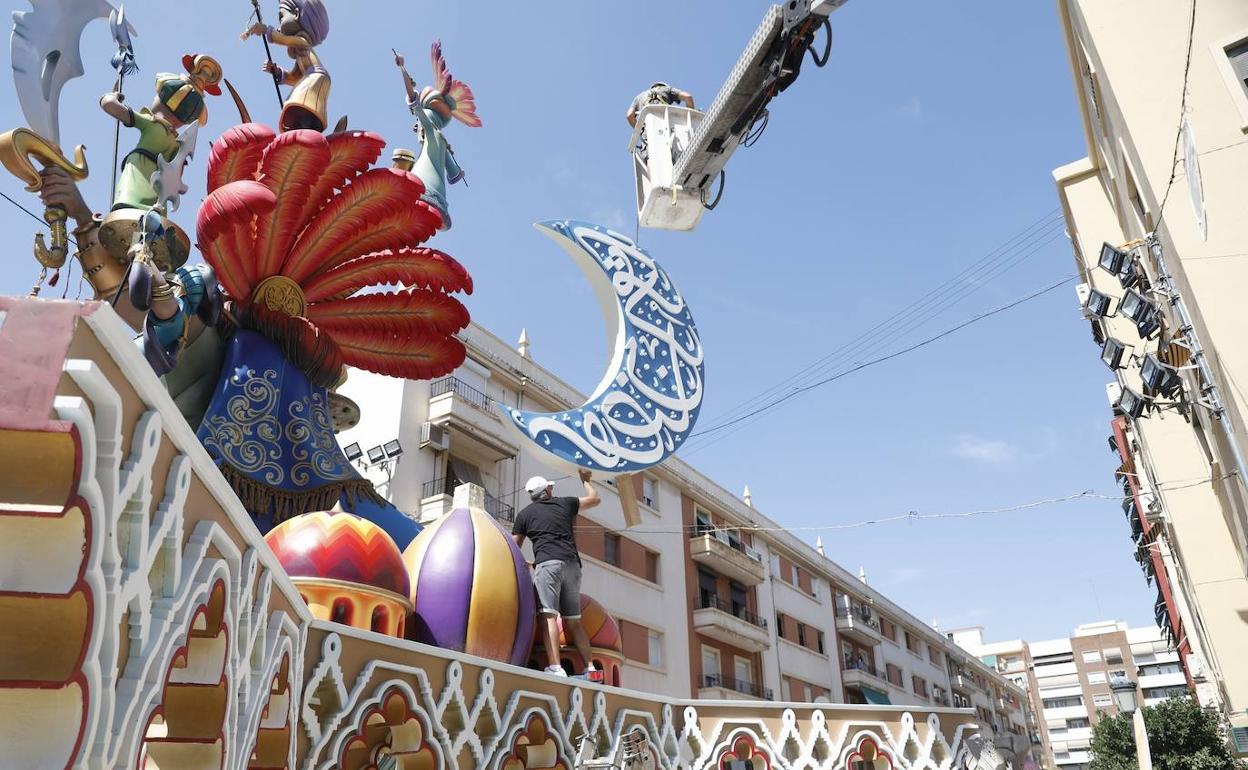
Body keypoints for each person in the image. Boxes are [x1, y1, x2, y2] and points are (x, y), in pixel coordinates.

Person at [512, 470, 601, 678]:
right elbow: (594, 499)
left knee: (548, 617)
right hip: (572, 565)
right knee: (574, 621)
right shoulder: (564, 503)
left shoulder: (524, 515)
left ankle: (555, 667)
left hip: (547, 566)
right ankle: (590, 668)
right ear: (548, 491)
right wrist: (585, 481)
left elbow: (513, 547)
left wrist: (530, 564)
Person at [242, 0, 331, 132]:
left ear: (296, 15)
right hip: (316, 79)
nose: (279, 26)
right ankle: (303, 126)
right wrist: (278, 72)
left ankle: (303, 123)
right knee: (298, 103)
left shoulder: (303, 42)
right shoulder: (302, 57)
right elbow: (295, 78)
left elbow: (285, 40)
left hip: (317, 77)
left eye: (281, 17)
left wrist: (267, 30)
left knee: (294, 102)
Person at [626, 81, 696, 128]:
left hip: (649, 130)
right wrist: (690, 120)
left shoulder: (639, 97)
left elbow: (629, 115)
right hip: (665, 125)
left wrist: (641, 130)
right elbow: (688, 97)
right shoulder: (667, 89)